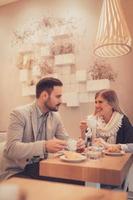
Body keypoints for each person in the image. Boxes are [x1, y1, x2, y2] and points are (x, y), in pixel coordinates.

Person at [0, 77, 84, 181]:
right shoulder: (19, 114)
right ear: (44, 95)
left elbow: (65, 140)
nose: (61, 101)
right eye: (58, 97)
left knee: (75, 179)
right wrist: (44, 146)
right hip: (17, 171)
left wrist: (76, 144)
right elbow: (11, 149)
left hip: (40, 167)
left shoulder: (55, 116)